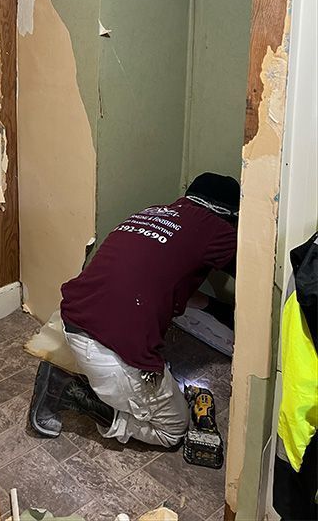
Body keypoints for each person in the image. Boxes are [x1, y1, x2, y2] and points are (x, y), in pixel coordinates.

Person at [29, 172, 239, 448]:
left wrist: (214, 307)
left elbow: (167, 284)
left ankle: (67, 371)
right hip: (107, 348)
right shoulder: (220, 231)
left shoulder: (153, 212)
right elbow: (249, 277)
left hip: (72, 319)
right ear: (230, 215)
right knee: (173, 430)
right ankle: (74, 395)